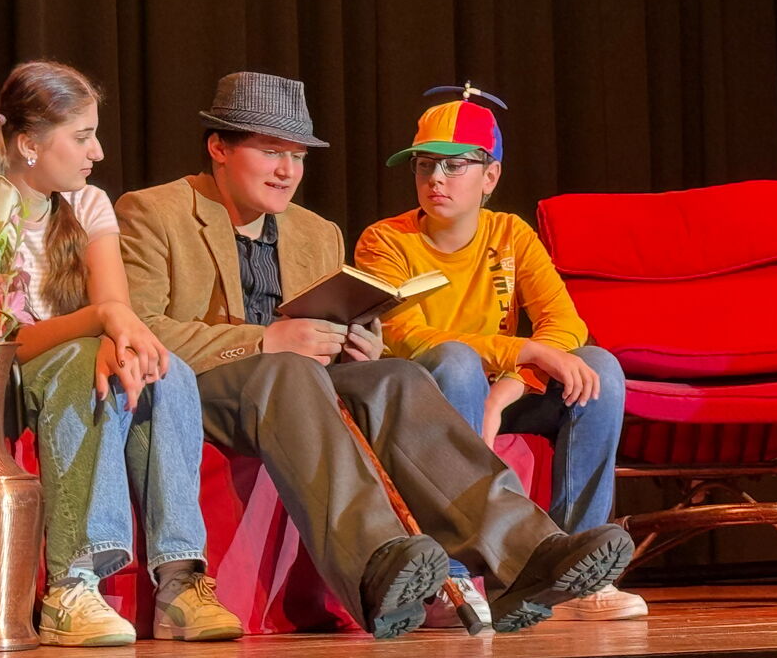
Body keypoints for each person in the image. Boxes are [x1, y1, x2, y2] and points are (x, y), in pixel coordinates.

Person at [113, 71, 633, 638]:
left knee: (396, 378)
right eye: (270, 152)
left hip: (298, 386)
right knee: (287, 371)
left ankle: (530, 555)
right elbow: (139, 329)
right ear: (219, 148)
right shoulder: (152, 211)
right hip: (205, 387)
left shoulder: (316, 233)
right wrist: (265, 340)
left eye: (298, 156)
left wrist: (362, 346)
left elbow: (345, 335)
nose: (288, 171)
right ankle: (376, 567)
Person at [0, 60, 243, 645]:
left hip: (77, 358)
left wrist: (114, 336)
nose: (97, 151)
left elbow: (114, 306)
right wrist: (99, 326)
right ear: (29, 144)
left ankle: (181, 580)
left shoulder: (88, 204)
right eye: (82, 137)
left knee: (166, 368)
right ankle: (72, 584)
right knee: (84, 367)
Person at [353, 91, 647, 621]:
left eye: (454, 165)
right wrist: (525, 349)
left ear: (490, 177)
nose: (436, 179)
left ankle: (575, 571)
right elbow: (407, 337)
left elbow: (566, 322)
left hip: (498, 393)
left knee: (599, 367)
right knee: (456, 362)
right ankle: (456, 575)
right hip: (429, 400)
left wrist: (508, 388)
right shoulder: (385, 241)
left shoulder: (511, 233)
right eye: (424, 165)